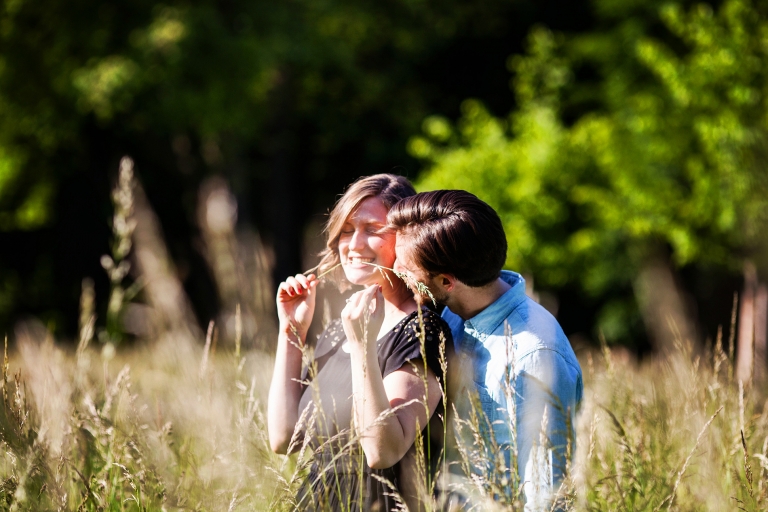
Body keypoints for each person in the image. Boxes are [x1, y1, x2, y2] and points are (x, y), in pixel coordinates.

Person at [388, 190, 583, 510]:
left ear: (447, 282)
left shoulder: (536, 355)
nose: (396, 269)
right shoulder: (447, 316)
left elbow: (546, 496)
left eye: (407, 268)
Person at [267, 174, 451, 511]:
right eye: (347, 230)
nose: (354, 245)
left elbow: (382, 452)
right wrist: (291, 332)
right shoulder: (339, 330)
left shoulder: (424, 332)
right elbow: (283, 439)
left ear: (406, 239)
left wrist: (363, 346)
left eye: (372, 229)